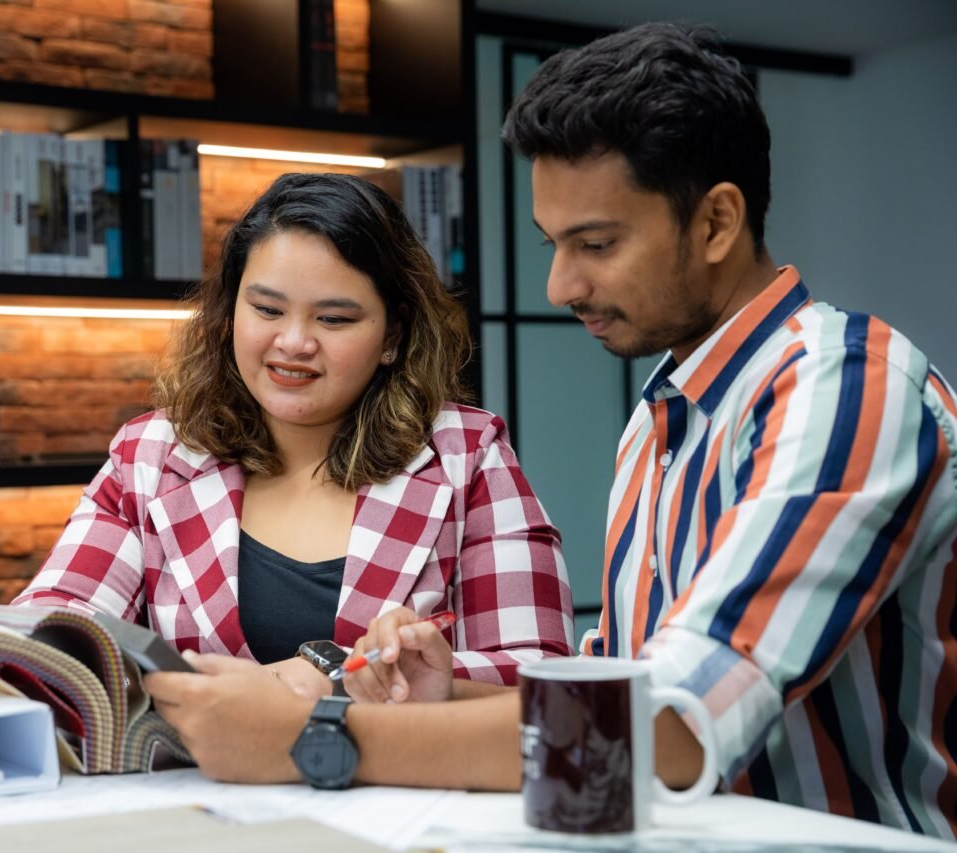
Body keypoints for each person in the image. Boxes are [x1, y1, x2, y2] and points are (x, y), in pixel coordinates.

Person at [146, 23, 957, 839]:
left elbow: (671, 726)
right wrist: (446, 694)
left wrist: (308, 738)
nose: (560, 283)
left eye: (595, 244)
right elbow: (610, 692)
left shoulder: (848, 387)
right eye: (554, 244)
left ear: (716, 223)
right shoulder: (663, 414)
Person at [13, 172, 575, 697]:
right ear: (230, 311)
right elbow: (54, 631)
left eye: (333, 319)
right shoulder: (153, 456)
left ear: (393, 335)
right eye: (267, 309)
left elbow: (539, 672)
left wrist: (331, 676)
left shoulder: (465, 456)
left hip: (391, 789)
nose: (294, 342)